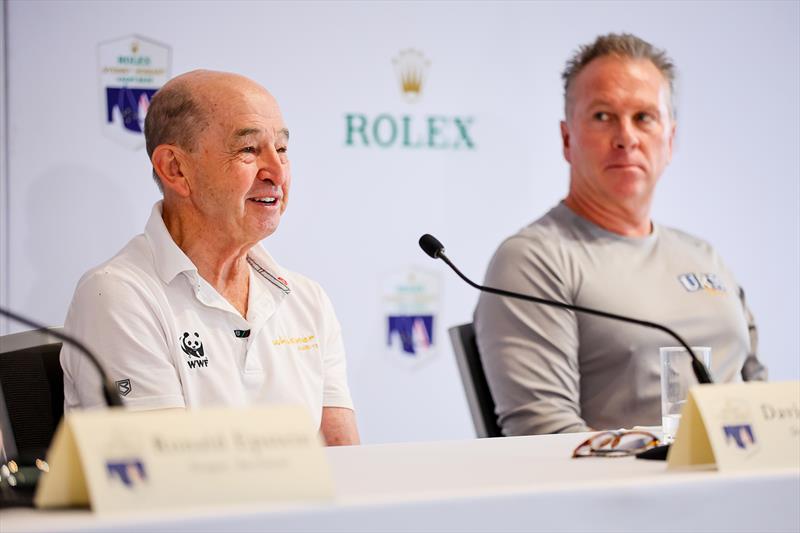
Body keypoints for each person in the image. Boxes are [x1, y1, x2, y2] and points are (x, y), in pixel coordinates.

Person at [473, 33, 767, 436]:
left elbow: (761, 393)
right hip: (633, 495)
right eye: (602, 116)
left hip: (747, 486)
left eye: (644, 117)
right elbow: (545, 436)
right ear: (566, 139)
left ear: (670, 139)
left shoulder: (703, 255)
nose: (626, 137)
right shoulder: (533, 260)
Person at [61, 70, 359, 446]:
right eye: (249, 150)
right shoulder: (118, 296)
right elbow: (164, 472)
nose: (277, 172)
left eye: (282, 149)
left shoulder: (308, 299)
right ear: (175, 169)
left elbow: (345, 460)